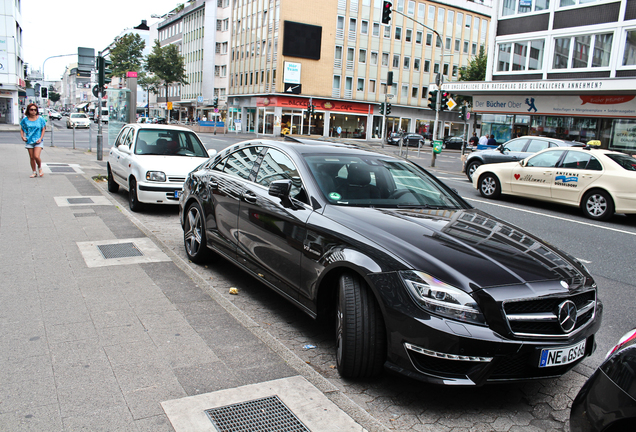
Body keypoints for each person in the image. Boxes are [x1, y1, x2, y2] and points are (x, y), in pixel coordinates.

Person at [20, 103, 47, 178]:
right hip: (29, 140)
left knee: (36, 156)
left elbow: (43, 128)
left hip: (38, 140)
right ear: (28, 110)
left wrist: (41, 138)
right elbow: (22, 128)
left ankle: (40, 168)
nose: (33, 111)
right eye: (31, 109)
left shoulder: (40, 119)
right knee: (31, 157)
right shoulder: (25, 120)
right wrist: (22, 136)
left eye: (35, 110)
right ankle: (34, 172)